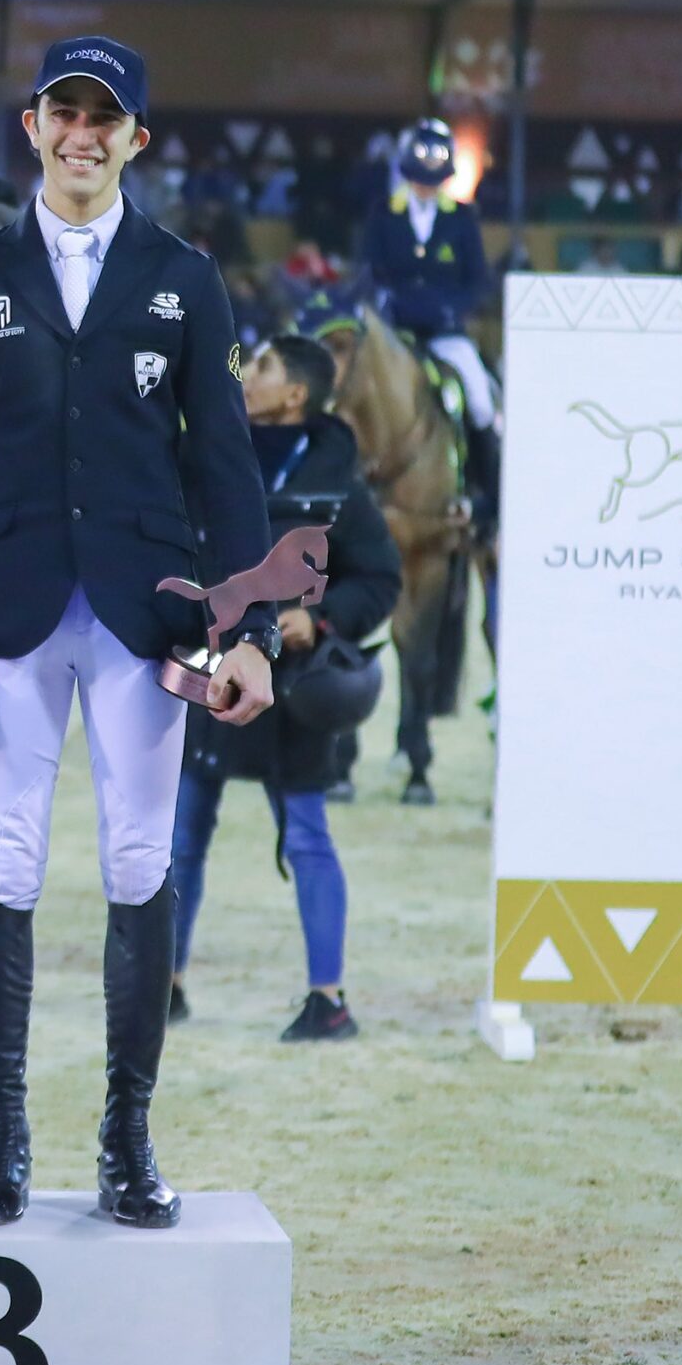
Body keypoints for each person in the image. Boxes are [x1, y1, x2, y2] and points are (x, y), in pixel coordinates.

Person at [0, 35, 277, 1232]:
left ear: (135, 138)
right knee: (7, 860)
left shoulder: (185, 276)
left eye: (102, 116)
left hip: (146, 614)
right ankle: (2, 1135)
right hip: (9, 613)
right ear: (30, 126)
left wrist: (250, 625)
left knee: (136, 860)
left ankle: (127, 1136)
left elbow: (225, 468)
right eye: (62, 111)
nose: (81, 133)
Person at [170, 337, 400, 1041]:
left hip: (293, 688)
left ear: (296, 394)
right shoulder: (206, 451)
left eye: (263, 366)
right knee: (182, 833)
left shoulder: (337, 478)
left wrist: (319, 621)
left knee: (306, 836)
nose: (246, 374)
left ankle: (328, 1000)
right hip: (210, 670)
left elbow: (379, 578)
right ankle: (163, 983)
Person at [360, 117, 500, 534]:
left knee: (479, 400)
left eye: (432, 181)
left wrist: (451, 308)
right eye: (419, 180)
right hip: (395, 331)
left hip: (444, 333)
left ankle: (487, 499)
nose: (425, 188)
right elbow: (369, 270)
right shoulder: (384, 213)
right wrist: (385, 300)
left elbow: (477, 280)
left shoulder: (461, 218)